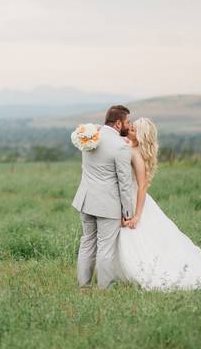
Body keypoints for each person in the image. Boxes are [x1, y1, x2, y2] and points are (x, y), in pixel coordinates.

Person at [113, 117, 201, 290]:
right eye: (130, 127)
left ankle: (136, 273)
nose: (128, 129)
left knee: (135, 237)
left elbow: (142, 186)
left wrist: (137, 214)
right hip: (125, 197)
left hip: (133, 201)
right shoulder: (129, 146)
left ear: (140, 137)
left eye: (132, 130)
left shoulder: (135, 153)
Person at [71, 104, 135, 288]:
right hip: (107, 204)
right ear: (117, 123)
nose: (129, 126)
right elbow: (124, 183)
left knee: (87, 243)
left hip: (85, 200)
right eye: (127, 122)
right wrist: (128, 212)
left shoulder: (90, 137)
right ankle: (104, 290)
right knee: (105, 249)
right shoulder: (120, 147)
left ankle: (84, 287)